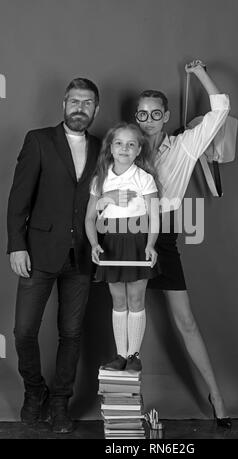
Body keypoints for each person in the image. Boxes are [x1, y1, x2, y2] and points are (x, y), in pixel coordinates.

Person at [103, 60, 232, 427]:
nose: (147, 119)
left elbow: (221, 109)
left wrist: (201, 72)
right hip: (124, 236)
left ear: (166, 116)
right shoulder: (125, 150)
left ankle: (217, 396)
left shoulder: (183, 147)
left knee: (185, 321)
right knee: (126, 314)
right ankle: (126, 409)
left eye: (155, 113)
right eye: (141, 113)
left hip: (163, 235)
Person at [7, 78, 101, 433]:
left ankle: (61, 401)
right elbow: (19, 199)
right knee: (23, 332)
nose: (80, 107)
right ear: (64, 104)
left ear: (96, 109)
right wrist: (16, 244)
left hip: (81, 256)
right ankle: (35, 392)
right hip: (38, 251)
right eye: (74, 101)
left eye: (88, 102)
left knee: (71, 334)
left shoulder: (103, 147)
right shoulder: (39, 140)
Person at [85, 123, 159, 372]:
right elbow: (90, 218)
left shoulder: (144, 178)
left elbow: (154, 217)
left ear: (139, 150)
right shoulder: (101, 179)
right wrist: (95, 243)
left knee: (136, 299)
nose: (124, 148)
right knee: (118, 300)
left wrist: (150, 245)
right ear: (110, 147)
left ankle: (134, 356)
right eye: (119, 143)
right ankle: (120, 355)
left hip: (137, 240)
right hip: (111, 243)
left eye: (131, 144)